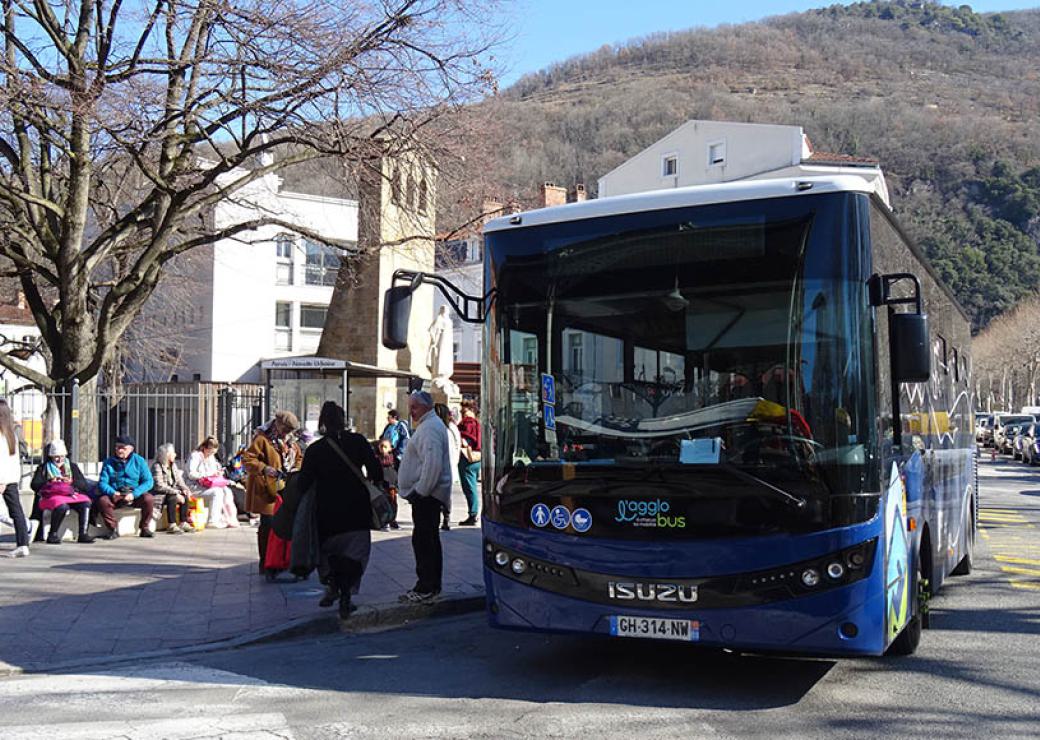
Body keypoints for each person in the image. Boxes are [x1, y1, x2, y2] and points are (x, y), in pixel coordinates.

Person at [295, 402, 383, 619]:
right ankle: (346, 594)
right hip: (356, 511)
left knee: (330, 555)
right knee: (355, 555)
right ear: (344, 419)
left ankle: (334, 586)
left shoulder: (316, 450)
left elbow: (302, 483)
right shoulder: (359, 442)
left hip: (327, 513)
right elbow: (376, 471)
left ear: (322, 422)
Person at [397, 391, 453, 602]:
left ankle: (426, 586)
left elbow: (432, 464)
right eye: (410, 407)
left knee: (424, 541)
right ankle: (429, 584)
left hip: (427, 496)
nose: (411, 412)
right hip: (426, 494)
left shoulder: (430, 428)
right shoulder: (429, 425)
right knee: (425, 539)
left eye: (415, 407)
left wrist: (421, 491)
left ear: (426, 407)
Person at [243, 410, 302, 575]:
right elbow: (248, 459)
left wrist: (296, 467)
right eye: (285, 430)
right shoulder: (262, 439)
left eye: (289, 432)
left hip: (284, 488)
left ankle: (280, 559)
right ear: (277, 425)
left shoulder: (290, 442)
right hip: (266, 489)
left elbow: (298, 457)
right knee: (268, 525)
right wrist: (265, 468)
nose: (286, 434)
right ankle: (265, 561)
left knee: (283, 525)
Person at [30, 440, 94, 544]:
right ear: (51, 457)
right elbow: (35, 485)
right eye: (56, 457)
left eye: (62, 457)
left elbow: (83, 484)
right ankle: (53, 534)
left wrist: (71, 483)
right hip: (51, 496)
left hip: (70, 495)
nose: (59, 459)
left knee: (85, 503)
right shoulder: (44, 468)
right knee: (62, 506)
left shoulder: (72, 467)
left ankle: (83, 533)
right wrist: (51, 482)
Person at [96, 434, 156, 539]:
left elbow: (148, 481)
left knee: (149, 499)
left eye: (122, 448)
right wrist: (112, 492)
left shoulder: (139, 461)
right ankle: (112, 529)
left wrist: (134, 494)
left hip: (134, 493)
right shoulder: (108, 462)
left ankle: (144, 528)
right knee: (103, 501)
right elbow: (102, 483)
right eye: (117, 447)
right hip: (116, 493)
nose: (119, 450)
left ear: (131, 449)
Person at [188, 436, 238, 529]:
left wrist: (218, 472)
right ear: (204, 448)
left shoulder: (211, 457)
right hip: (195, 486)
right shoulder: (195, 456)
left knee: (227, 491)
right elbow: (191, 474)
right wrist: (207, 474)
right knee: (217, 493)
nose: (211, 455)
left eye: (213, 453)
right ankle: (212, 520)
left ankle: (229, 518)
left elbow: (214, 471)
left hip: (208, 484)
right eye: (210, 452)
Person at [0, 400, 30, 557]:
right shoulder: (11, 435)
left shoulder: (2, 436)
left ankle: (23, 543)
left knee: (15, 511)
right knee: (16, 510)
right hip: (11, 478)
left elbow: (2, 460)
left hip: (3, 479)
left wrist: (2, 480)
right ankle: (23, 543)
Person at [152, 443, 196, 534]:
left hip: (172, 491)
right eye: (173, 453)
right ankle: (171, 524)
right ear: (166, 455)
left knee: (184, 495)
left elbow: (180, 481)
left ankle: (183, 522)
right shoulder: (157, 466)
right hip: (160, 495)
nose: (175, 455)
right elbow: (159, 485)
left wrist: (185, 489)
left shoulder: (173, 465)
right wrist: (176, 492)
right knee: (173, 497)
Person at [433, 403, 461, 532]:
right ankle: (439, 516)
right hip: (437, 464)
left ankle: (446, 517)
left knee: (445, 494)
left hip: (448, 464)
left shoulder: (451, 428)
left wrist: (454, 462)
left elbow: (457, 445)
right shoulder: (434, 428)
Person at [457, 399, 481, 526]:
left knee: (469, 487)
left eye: (464, 409)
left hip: (468, 459)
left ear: (470, 410)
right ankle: (473, 512)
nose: (461, 412)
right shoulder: (477, 422)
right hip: (477, 458)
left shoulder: (468, 423)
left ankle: (473, 514)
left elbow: (467, 440)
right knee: (472, 487)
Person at [374, 439, 400, 530]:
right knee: (383, 503)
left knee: (393, 502)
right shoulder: (377, 458)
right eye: (381, 446)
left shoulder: (393, 458)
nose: (383, 449)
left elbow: (398, 468)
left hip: (391, 483)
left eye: (385, 446)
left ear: (390, 448)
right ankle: (385, 521)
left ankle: (393, 520)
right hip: (381, 483)